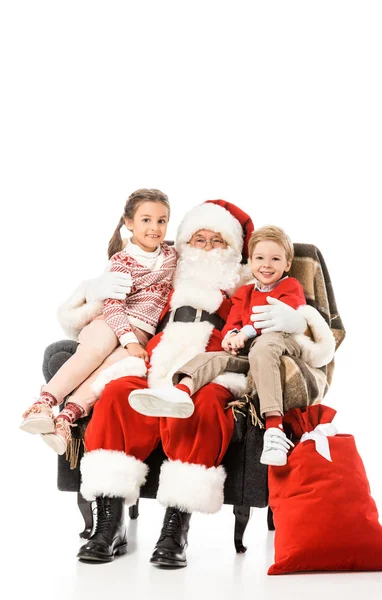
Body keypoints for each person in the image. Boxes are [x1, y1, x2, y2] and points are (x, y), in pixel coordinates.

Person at [56, 200, 335, 567]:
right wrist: (92, 288)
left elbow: (312, 338)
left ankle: (175, 527)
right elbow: (97, 310)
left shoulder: (253, 278)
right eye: (198, 239)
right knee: (118, 395)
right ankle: (109, 522)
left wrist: (297, 323)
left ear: (234, 250)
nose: (205, 247)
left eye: (216, 240)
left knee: (203, 407)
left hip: (217, 362)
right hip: (158, 356)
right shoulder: (166, 269)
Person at [129, 225, 319, 467]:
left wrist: (247, 332)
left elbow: (275, 316)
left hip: (278, 343)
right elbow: (233, 321)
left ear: (287, 264)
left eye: (275, 259)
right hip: (249, 352)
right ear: (250, 262)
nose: (267, 265)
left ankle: (274, 429)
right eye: (260, 258)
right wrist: (231, 336)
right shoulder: (245, 293)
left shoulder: (289, 286)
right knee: (215, 358)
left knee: (263, 347)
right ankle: (180, 392)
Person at [20, 188, 176, 455]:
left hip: (140, 332)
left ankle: (66, 419)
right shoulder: (122, 260)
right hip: (111, 321)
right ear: (129, 223)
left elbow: (209, 249)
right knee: (95, 350)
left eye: (161, 221)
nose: (155, 227)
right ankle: (43, 403)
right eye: (146, 220)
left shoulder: (171, 256)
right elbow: (113, 305)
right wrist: (127, 340)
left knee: (113, 370)